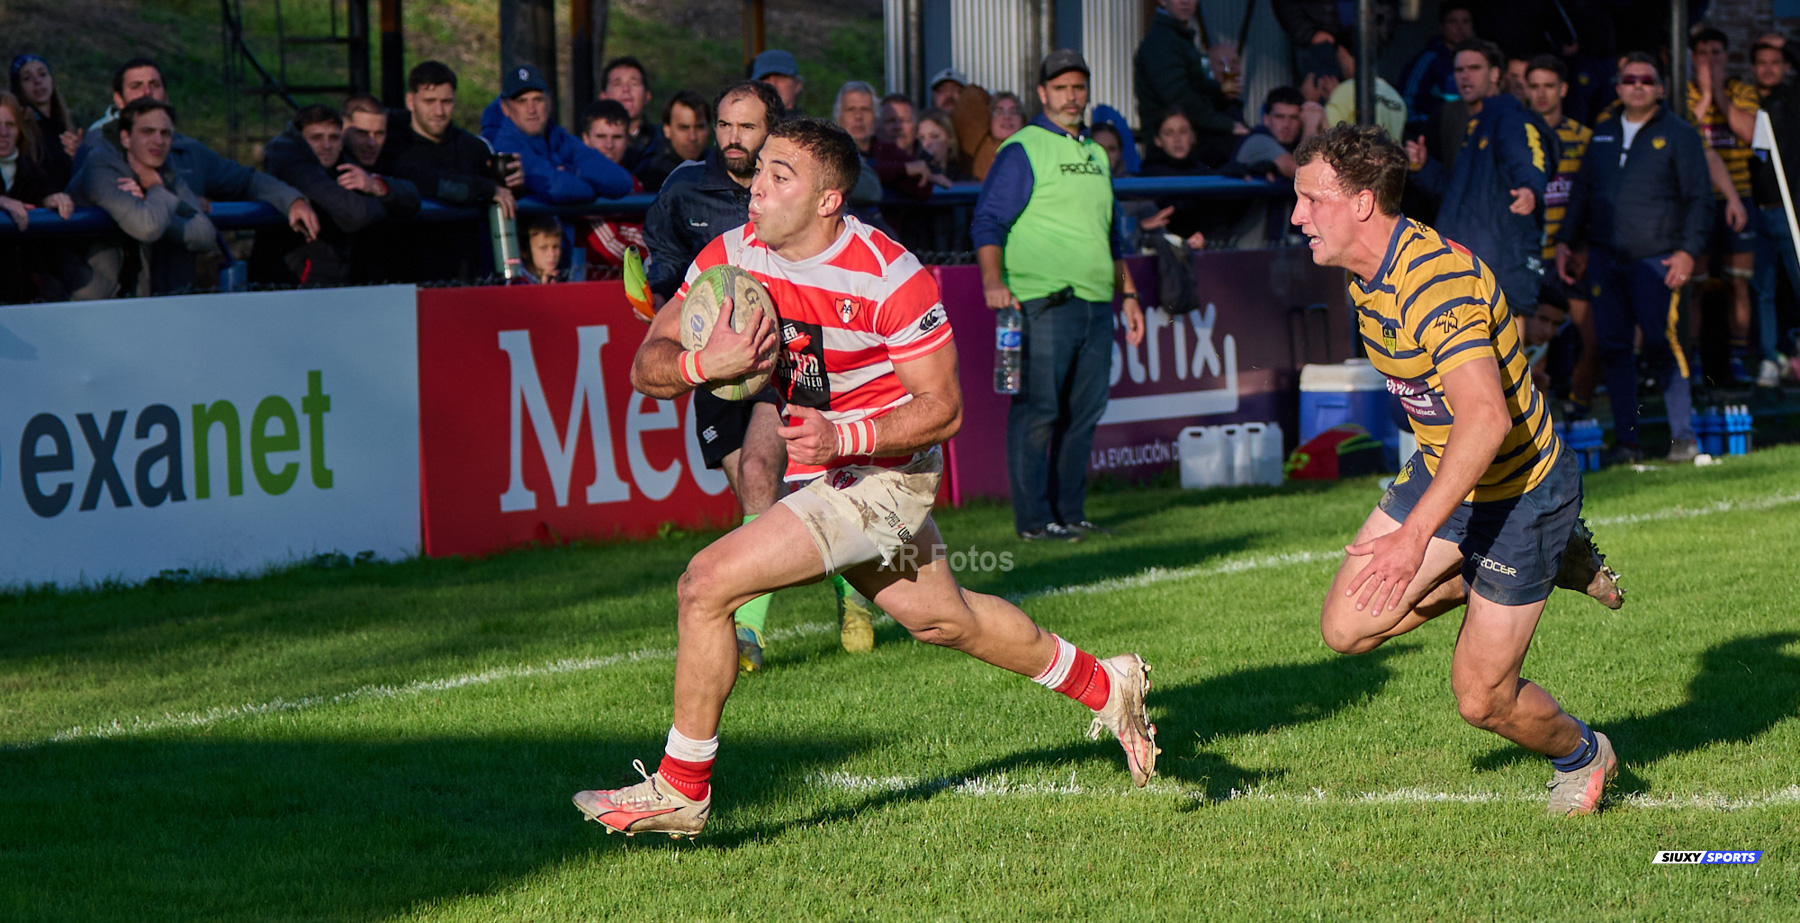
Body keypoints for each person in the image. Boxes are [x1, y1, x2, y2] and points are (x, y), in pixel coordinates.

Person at [573, 116, 1159, 838]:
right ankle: (1110, 683)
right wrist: (705, 364)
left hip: (884, 483)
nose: (756, 185)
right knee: (946, 618)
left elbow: (944, 410)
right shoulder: (733, 253)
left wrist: (842, 434)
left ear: (828, 199)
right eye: (758, 170)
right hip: (833, 477)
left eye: (779, 175)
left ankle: (681, 788)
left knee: (704, 583)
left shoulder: (890, 275)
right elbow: (646, 363)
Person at [1293, 122, 1625, 819]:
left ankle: (1583, 753)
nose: (1297, 216)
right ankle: (1545, 565)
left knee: (1482, 699)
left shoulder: (1433, 283)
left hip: (1523, 489)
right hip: (1449, 471)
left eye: (1310, 200)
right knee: (1346, 627)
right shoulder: (1364, 276)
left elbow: (1486, 420)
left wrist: (1416, 536)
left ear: (1359, 203)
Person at [643, 80, 872, 671]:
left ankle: (751, 629)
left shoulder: (800, 190)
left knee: (761, 469)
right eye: (723, 125)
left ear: (775, 131)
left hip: (784, 363)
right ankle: (851, 580)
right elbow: (663, 253)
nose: (732, 138)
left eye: (746, 127)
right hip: (717, 367)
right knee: (756, 498)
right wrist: (673, 303)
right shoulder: (685, 187)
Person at [971, 49, 1148, 542]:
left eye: (1079, 87)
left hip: (1095, 303)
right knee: (1038, 410)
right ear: (1043, 93)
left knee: (1083, 413)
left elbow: (1110, 234)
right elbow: (988, 220)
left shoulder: (1095, 153)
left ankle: (1070, 514)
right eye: (1062, 88)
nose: (1072, 96)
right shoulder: (1023, 148)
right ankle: (1033, 522)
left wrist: (1128, 295)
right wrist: (992, 281)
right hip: (1040, 302)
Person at [1554, 53, 1710, 465]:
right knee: (1614, 348)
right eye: (1629, 79)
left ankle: (1683, 437)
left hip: (1659, 258)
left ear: (1660, 89)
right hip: (1606, 259)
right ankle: (1627, 441)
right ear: (1618, 88)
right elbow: (1582, 194)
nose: (1638, 85)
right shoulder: (1602, 134)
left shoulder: (1680, 134)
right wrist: (1565, 242)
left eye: (1646, 80)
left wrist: (1688, 252)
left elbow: (1699, 198)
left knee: (1663, 343)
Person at [1405, 39, 1550, 324]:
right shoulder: (1477, 122)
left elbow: (1529, 158)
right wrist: (1424, 167)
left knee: (1508, 358)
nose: (1465, 76)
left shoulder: (1508, 116)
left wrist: (1529, 188)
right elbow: (1459, 193)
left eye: (1474, 68)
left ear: (1496, 74)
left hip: (1501, 259)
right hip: (1471, 258)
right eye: (1459, 70)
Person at [251, 104, 420, 287]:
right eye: (316, 138)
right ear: (301, 139)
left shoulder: (346, 164)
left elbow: (412, 198)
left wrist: (376, 186)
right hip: (290, 286)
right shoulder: (291, 164)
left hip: (336, 284)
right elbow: (356, 215)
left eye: (333, 137)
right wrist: (385, 205)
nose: (326, 145)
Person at [385, 60, 525, 283]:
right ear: (410, 101)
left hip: (467, 276)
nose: (439, 111)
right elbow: (417, 179)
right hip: (405, 276)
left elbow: (502, 196)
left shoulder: (474, 148)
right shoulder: (390, 144)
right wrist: (483, 188)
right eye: (429, 101)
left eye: (446, 102)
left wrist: (515, 185)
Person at [66, 98, 218, 299]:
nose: (159, 141)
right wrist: (157, 192)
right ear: (125, 138)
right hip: (80, 300)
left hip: (135, 298)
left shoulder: (164, 169)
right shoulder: (100, 163)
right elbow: (147, 227)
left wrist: (153, 199)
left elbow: (206, 235)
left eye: (165, 133)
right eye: (148, 132)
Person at [1523, 55, 1600, 419]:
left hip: (1570, 255)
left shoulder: (1584, 138)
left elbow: (1593, 197)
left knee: (1593, 337)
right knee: (1535, 345)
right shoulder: (1519, 133)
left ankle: (1579, 409)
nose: (1541, 94)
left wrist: (1582, 245)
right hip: (1530, 255)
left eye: (1548, 86)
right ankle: (1538, 422)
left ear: (1563, 89)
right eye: (1534, 86)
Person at [1687, 27, 1761, 385]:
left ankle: (1736, 358)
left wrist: (1718, 93)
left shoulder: (1741, 92)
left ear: (1727, 57)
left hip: (1739, 197)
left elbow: (1750, 133)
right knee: (1696, 284)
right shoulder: (1681, 93)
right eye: (1702, 53)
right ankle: (1697, 363)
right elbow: (1686, 134)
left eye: (1716, 52)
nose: (1709, 60)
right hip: (1697, 199)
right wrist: (1703, 96)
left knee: (1739, 283)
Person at [481, 63, 632, 205]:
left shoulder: (559, 137)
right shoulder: (498, 142)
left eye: (538, 99)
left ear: (550, 102)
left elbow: (622, 181)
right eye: (522, 101)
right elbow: (557, 189)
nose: (531, 109)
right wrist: (595, 189)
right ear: (505, 107)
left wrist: (570, 170)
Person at [1135, 0, 1248, 169]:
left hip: (1192, 135)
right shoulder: (1161, 41)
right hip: (1169, 150)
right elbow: (1180, 99)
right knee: (1242, 146)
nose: (1185, 1)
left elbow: (1194, 87)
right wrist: (1227, 125)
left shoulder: (1178, 36)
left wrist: (1220, 94)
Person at [1749, 38, 1800, 387]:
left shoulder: (1793, 99)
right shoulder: (1749, 101)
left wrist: (1789, 44)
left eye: (1775, 62)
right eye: (1762, 62)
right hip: (1757, 211)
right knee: (1761, 289)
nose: (1768, 68)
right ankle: (1769, 359)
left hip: (1789, 210)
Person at [0, 91, 75, 303]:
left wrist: (51, 200)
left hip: (24, 290)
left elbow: (42, 193)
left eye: (10, 125)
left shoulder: (31, 171)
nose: (3, 132)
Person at [576, 99, 647, 271]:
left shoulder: (635, 184)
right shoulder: (575, 182)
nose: (609, 146)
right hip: (584, 283)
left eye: (617, 137)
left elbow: (649, 243)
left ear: (627, 140)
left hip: (628, 287)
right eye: (601, 136)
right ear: (586, 138)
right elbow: (610, 251)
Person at [1398, 2, 1475, 153]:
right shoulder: (1429, 59)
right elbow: (1408, 103)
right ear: (1442, 26)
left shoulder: (1479, 61)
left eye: (1466, 22)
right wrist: (1428, 128)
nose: (1460, 28)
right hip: (1433, 143)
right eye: (1453, 21)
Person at [9, 54, 76, 190]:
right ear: (19, 87)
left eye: (42, 74)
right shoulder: (19, 129)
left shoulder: (65, 126)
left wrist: (79, 155)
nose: (37, 81)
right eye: (27, 78)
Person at [635, 91, 712, 192]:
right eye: (683, 128)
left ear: (709, 128)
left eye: (699, 127)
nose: (692, 137)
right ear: (667, 130)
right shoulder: (650, 172)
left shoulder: (721, 167)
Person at [1324, 47, 1408, 139]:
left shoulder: (1343, 91)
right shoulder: (1396, 97)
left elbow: (1329, 138)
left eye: (1339, 56)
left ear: (1344, 52)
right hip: (1389, 153)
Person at [602, 57, 660, 172]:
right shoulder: (587, 145)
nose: (626, 89)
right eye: (617, 84)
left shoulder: (665, 141)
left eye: (634, 83)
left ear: (647, 95)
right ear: (603, 96)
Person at [751, 50, 805, 116]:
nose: (772, 84)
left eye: (780, 77)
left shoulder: (811, 125)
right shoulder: (739, 123)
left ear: (797, 85)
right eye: (765, 78)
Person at [519, 213, 564, 283]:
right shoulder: (518, 281)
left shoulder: (563, 277)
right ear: (524, 251)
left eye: (556, 247)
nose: (552, 254)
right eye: (543, 248)